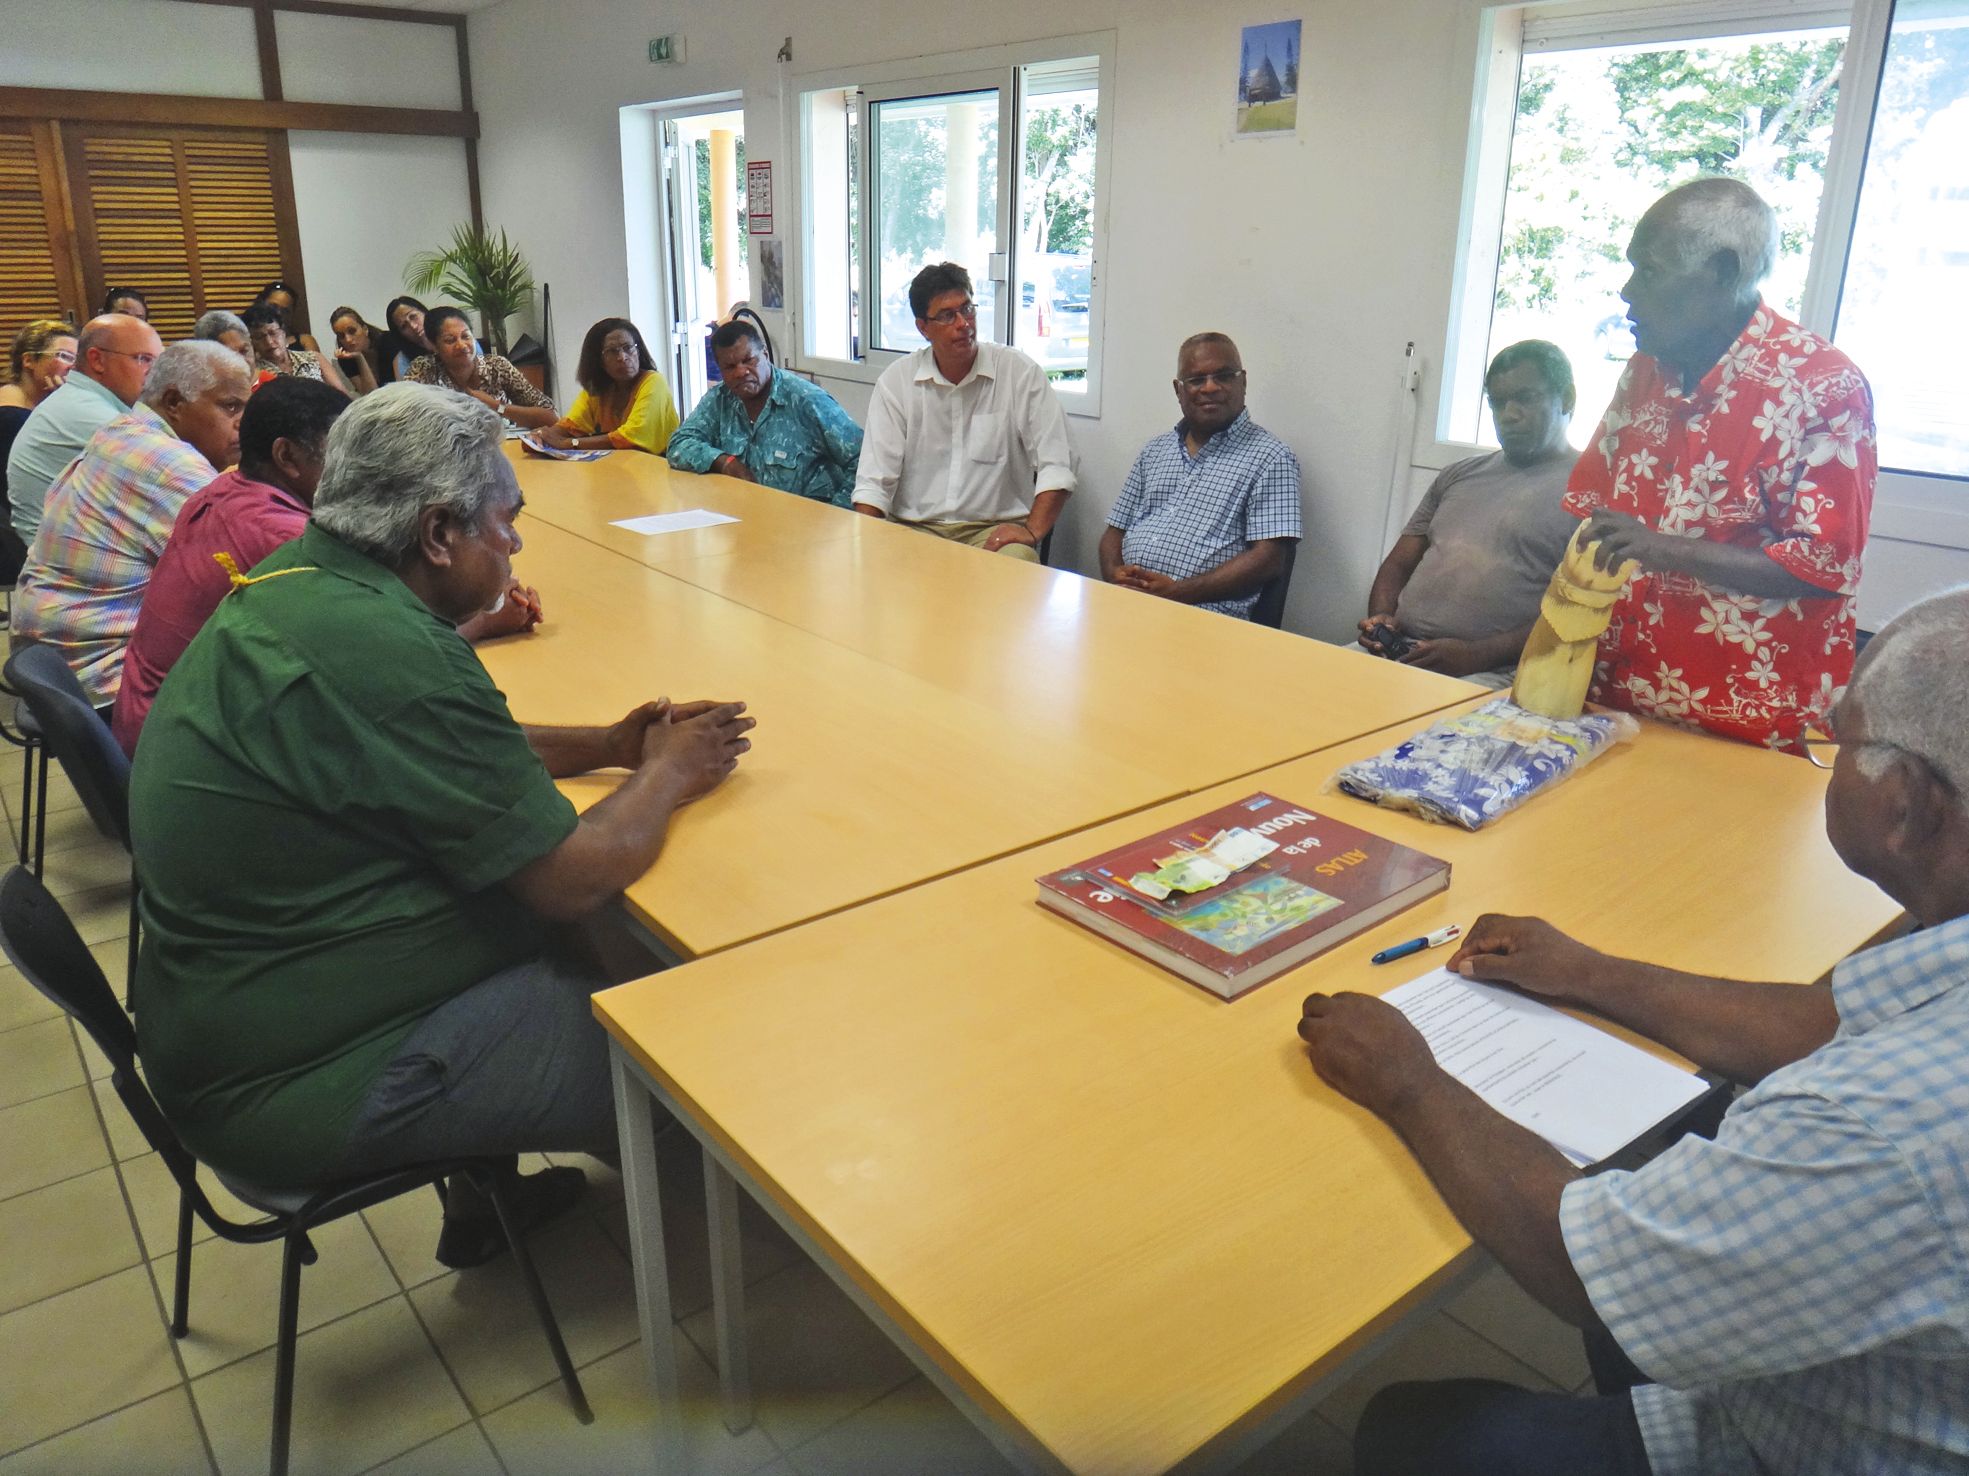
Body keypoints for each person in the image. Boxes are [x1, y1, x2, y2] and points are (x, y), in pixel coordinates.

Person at [1302, 586, 1969, 1475]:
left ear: (1912, 803)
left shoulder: (1882, 1124)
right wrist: (1587, 973)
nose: (1826, 758)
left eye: (1836, 740)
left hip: (1806, 1443)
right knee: (1673, 1139)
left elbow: (1578, 1265)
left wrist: (1408, 1079)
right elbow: (1824, 1022)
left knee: (1411, 1425)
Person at [129, 384, 754, 1266]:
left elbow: (446, 749)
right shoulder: (390, 648)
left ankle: (483, 1200)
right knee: (671, 1039)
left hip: (237, 1011)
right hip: (302, 1077)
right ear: (435, 534)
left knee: (576, 941)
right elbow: (569, 871)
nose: (516, 542)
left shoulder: (310, 578)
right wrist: (668, 771)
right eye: (505, 520)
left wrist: (610, 743)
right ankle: (723, 1250)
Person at [1566, 178, 1875, 750]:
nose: (1627, 291)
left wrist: (1659, 547)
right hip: (1617, 704)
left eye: (1650, 271)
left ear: (1723, 272)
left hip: (1747, 729)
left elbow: (1822, 568)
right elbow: (1591, 514)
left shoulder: (1820, 387)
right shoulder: (1645, 371)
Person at [111, 378, 543, 755]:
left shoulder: (227, 489)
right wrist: (486, 622)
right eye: (341, 459)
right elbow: (388, 648)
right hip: (187, 738)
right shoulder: (287, 538)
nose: (357, 474)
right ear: (287, 457)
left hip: (161, 721)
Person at [12, 341, 249, 707]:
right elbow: (248, 575)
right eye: (230, 406)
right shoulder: (171, 463)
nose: (242, 423)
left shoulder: (120, 431)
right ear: (173, 403)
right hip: (105, 678)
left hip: (54, 662)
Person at [1359, 340, 1583, 682]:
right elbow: (1398, 564)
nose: (1509, 414)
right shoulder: (1458, 475)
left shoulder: (1591, 495)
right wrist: (1380, 619)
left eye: (1525, 398)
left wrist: (1477, 655)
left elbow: (1577, 611)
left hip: (1494, 670)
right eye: (1497, 402)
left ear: (1566, 398)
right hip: (1398, 650)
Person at [851, 261, 1075, 562]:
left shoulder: (1019, 373)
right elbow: (873, 484)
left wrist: (1033, 531)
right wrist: (867, 545)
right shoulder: (896, 383)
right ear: (923, 327)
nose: (964, 324)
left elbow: (1058, 463)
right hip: (913, 529)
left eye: (967, 309)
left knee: (1018, 563)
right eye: (947, 315)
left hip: (990, 532)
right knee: (871, 568)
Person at [1097, 332, 1300, 619]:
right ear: (1178, 390)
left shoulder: (1271, 457)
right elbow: (1114, 531)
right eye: (1196, 380)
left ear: (1243, 381)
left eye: (1224, 376)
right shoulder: (1155, 450)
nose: (1210, 388)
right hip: (1126, 604)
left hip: (1203, 615)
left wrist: (1176, 593)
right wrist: (1115, 576)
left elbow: (1269, 560)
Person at [6, 312, 161, 544]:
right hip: (63, 564)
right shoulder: (87, 411)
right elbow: (171, 472)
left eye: (157, 362)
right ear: (97, 360)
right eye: (143, 359)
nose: (154, 374)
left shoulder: (87, 400)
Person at [665, 319, 862, 502]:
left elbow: (862, 462)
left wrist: (837, 517)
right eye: (730, 367)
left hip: (809, 527)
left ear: (765, 356)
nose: (741, 372)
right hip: (745, 521)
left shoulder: (806, 400)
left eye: (749, 360)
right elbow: (679, 444)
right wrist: (725, 462)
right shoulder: (720, 399)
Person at [0, 320, 77, 580]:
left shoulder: (27, 406)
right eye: (64, 356)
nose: (72, 367)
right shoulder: (12, 417)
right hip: (22, 544)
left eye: (76, 360)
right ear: (28, 361)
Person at [535, 316, 678, 454]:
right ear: (598, 361)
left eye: (628, 348)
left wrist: (569, 444)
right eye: (612, 351)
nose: (622, 357)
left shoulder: (654, 382)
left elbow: (630, 439)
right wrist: (541, 437)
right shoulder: (598, 389)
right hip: (618, 469)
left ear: (638, 351)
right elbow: (570, 426)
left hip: (657, 469)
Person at [405, 307, 556, 430]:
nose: (462, 346)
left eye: (466, 336)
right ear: (434, 346)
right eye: (450, 340)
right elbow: (405, 420)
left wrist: (497, 406)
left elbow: (551, 417)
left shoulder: (497, 366)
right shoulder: (424, 369)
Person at [243, 303, 353, 396]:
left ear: (283, 331)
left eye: (273, 333)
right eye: (259, 337)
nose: (269, 342)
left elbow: (342, 395)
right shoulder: (254, 372)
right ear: (252, 342)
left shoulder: (314, 358)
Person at [328, 306, 394, 395]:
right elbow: (370, 396)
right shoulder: (345, 359)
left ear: (365, 329)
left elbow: (401, 385)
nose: (348, 339)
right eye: (341, 336)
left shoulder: (388, 340)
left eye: (352, 331)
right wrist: (359, 357)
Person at [192, 309, 264, 383]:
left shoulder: (272, 385)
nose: (242, 362)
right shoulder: (200, 391)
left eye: (244, 351)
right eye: (231, 356)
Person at [252, 279, 322, 354]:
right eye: (273, 307)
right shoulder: (249, 342)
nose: (278, 313)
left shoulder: (305, 341)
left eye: (285, 311)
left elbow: (314, 364)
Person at [384, 295, 432, 382]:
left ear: (423, 311)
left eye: (413, 316)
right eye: (404, 326)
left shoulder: (449, 334)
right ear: (401, 335)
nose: (413, 326)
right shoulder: (403, 361)